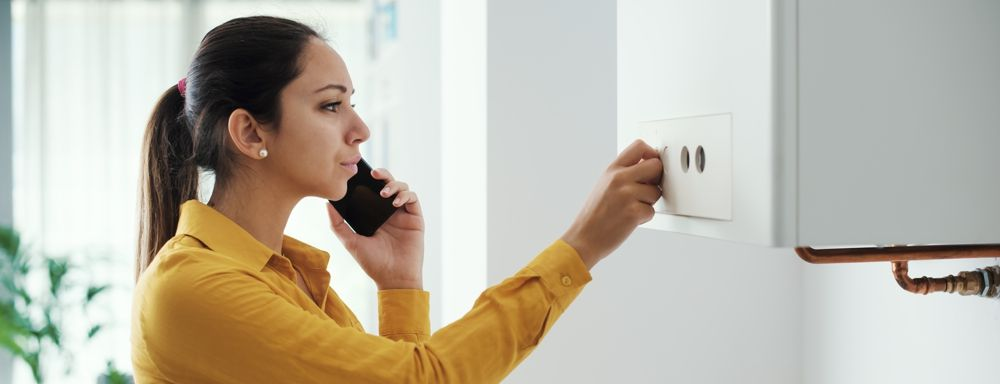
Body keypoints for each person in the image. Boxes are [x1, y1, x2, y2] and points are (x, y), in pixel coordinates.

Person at [132, 16, 663, 384]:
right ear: (249, 133)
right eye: (331, 106)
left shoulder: (289, 275)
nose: (360, 129)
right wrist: (581, 246)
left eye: (352, 104)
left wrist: (399, 284)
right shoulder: (195, 288)